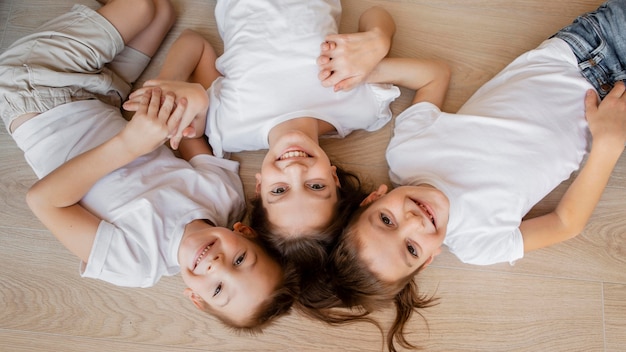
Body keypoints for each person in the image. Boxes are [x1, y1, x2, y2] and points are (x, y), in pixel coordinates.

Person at [328, 0, 626, 351]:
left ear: (374, 197)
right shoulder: (478, 245)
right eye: (410, 248)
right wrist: (608, 144)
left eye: (386, 220)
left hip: (588, 51)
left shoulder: (407, 153)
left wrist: (369, 72)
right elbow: (565, 223)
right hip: (614, 121)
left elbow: (435, 74)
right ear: (427, 261)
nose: (412, 221)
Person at [0, 0, 297, 330]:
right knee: (161, 11)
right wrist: (171, 89)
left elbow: (42, 200)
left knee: (141, 7)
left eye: (218, 289)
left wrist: (129, 144)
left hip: (34, 90)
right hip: (107, 96)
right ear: (244, 231)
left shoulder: (135, 262)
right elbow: (194, 47)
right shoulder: (223, 197)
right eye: (241, 260)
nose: (218, 265)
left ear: (195, 298)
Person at [123, 0, 448, 275]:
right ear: (334, 179)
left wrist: (169, 83)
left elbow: (195, 43)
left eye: (280, 190)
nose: (295, 170)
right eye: (316, 187)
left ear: (260, 185)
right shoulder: (361, 110)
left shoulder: (226, 128)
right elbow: (374, 15)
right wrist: (378, 41)